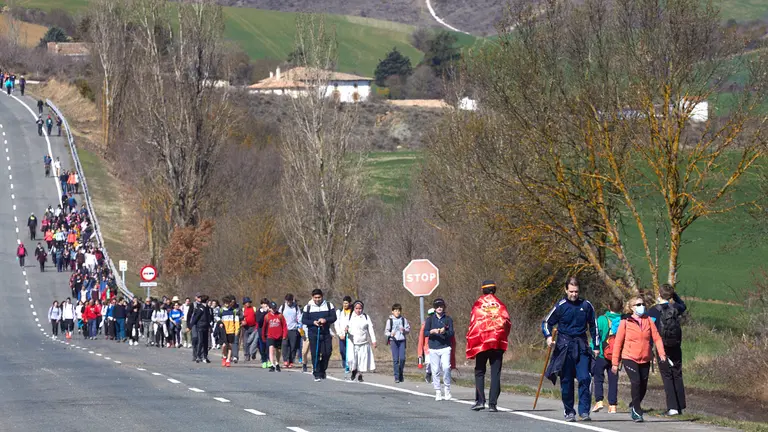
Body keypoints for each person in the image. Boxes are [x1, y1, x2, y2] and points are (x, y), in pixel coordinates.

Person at [542, 277, 599, 422]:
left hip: (581, 347)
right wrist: (548, 337)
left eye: (576, 291)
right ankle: (569, 411)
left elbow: (594, 326)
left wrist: (596, 346)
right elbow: (546, 323)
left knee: (585, 378)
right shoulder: (560, 306)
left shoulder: (586, 306)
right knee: (566, 381)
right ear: (566, 290)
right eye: (571, 291)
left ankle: (584, 411)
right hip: (564, 347)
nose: (574, 294)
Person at [612, 296, 667, 423]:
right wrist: (615, 362)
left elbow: (657, 338)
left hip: (645, 358)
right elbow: (618, 342)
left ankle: (634, 403)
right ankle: (637, 410)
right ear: (631, 308)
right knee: (636, 382)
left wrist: (661, 353)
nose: (641, 306)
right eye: (638, 304)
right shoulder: (625, 322)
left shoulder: (648, 320)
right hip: (629, 357)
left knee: (643, 385)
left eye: (642, 304)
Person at [467, 280, 511, 412]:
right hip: (497, 342)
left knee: (480, 371)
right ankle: (493, 404)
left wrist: (471, 342)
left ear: (483, 290)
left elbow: (473, 323)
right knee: (495, 373)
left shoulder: (478, 305)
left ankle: (480, 401)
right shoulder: (501, 305)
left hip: (482, 342)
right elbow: (507, 322)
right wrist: (503, 337)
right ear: (494, 290)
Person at [648, 283, 687, 416]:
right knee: (677, 373)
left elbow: (649, 331)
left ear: (659, 294)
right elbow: (683, 305)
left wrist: (650, 349)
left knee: (667, 376)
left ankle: (672, 408)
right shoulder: (676, 307)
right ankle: (680, 406)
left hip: (662, 347)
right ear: (670, 295)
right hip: (676, 345)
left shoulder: (653, 310)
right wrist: (674, 295)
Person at [591, 297, 623, 414]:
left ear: (609, 307)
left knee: (598, 378)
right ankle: (613, 405)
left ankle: (599, 401)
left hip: (601, 354)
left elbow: (596, 334)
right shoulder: (623, 320)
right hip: (616, 356)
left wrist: (593, 347)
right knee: (613, 380)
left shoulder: (602, 319)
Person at [301, 289, 337, 381]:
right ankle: (316, 372)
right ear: (312, 297)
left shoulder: (329, 305)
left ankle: (322, 369)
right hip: (313, 333)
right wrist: (313, 322)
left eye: (319, 297)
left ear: (322, 296)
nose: (317, 299)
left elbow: (334, 317)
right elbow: (304, 320)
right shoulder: (308, 307)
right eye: (315, 297)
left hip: (325, 332)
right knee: (315, 353)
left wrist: (325, 320)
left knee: (327, 352)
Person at [424, 298, 455, 401]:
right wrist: (432, 331)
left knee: (446, 367)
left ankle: (447, 389)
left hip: (445, 347)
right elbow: (425, 333)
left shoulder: (448, 319)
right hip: (433, 348)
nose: (439, 308)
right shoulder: (430, 319)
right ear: (434, 308)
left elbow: (451, 333)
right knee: (435, 370)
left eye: (441, 306)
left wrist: (444, 332)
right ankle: (437, 391)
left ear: (444, 307)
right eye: (437, 306)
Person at [346, 300, 376, 382]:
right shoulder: (350, 317)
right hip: (353, 342)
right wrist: (346, 329)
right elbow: (346, 327)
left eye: (360, 308)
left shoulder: (366, 317)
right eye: (356, 308)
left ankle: (360, 374)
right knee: (352, 359)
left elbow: (370, 329)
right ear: (354, 308)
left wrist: (374, 340)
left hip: (364, 342)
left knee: (363, 359)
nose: (358, 310)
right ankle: (353, 371)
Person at [384, 303, 410, 383]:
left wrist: (404, 330)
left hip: (402, 340)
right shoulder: (390, 321)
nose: (397, 312)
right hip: (393, 341)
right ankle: (396, 377)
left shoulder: (403, 320)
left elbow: (408, 330)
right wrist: (390, 334)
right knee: (395, 360)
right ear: (392, 312)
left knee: (402, 358)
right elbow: (386, 331)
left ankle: (400, 372)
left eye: (399, 311)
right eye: (395, 311)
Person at [263, 301, 288, 372]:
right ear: (269, 309)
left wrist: (284, 334)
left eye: (275, 308)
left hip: (279, 335)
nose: (274, 310)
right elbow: (264, 327)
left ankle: (277, 363)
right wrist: (263, 336)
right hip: (270, 335)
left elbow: (284, 326)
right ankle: (272, 364)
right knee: (271, 349)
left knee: (278, 350)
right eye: (272, 308)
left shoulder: (280, 315)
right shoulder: (267, 316)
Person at [279, 294, 302, 367]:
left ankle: (291, 361)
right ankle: (285, 360)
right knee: (285, 345)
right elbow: (279, 316)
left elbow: (299, 317)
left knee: (293, 346)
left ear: (292, 300)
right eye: (287, 301)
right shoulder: (282, 307)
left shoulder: (295, 307)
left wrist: (299, 325)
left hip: (293, 329)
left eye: (290, 301)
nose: (289, 302)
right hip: (285, 330)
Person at [189, 294, 212, 363]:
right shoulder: (200, 308)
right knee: (200, 341)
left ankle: (205, 356)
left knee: (206, 342)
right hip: (200, 326)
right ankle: (198, 356)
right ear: (206, 300)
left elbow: (209, 318)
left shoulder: (208, 308)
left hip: (206, 327)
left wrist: (210, 326)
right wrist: (191, 326)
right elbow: (195, 318)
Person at [219, 295, 240, 367]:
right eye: (225, 303)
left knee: (230, 345)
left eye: (228, 303)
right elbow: (218, 319)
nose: (227, 304)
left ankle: (228, 360)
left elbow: (236, 321)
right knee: (224, 346)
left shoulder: (234, 311)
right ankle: (224, 357)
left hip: (231, 330)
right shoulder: (221, 311)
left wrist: (237, 330)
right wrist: (220, 323)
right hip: (224, 331)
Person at [334, 295, 353, 374]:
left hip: (350, 334)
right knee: (342, 350)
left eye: (347, 303)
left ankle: (348, 365)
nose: (345, 305)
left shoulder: (352, 312)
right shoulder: (339, 311)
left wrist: (350, 329)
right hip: (341, 334)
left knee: (349, 350)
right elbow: (336, 323)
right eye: (344, 303)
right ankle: (344, 361)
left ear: (350, 303)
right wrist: (340, 334)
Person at [256, 298, 270, 368]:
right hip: (261, 331)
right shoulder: (259, 312)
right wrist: (264, 312)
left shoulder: (270, 312)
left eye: (266, 304)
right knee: (262, 347)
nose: (265, 305)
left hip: (269, 332)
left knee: (269, 346)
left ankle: (269, 360)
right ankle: (264, 360)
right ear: (261, 305)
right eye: (263, 304)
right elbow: (259, 321)